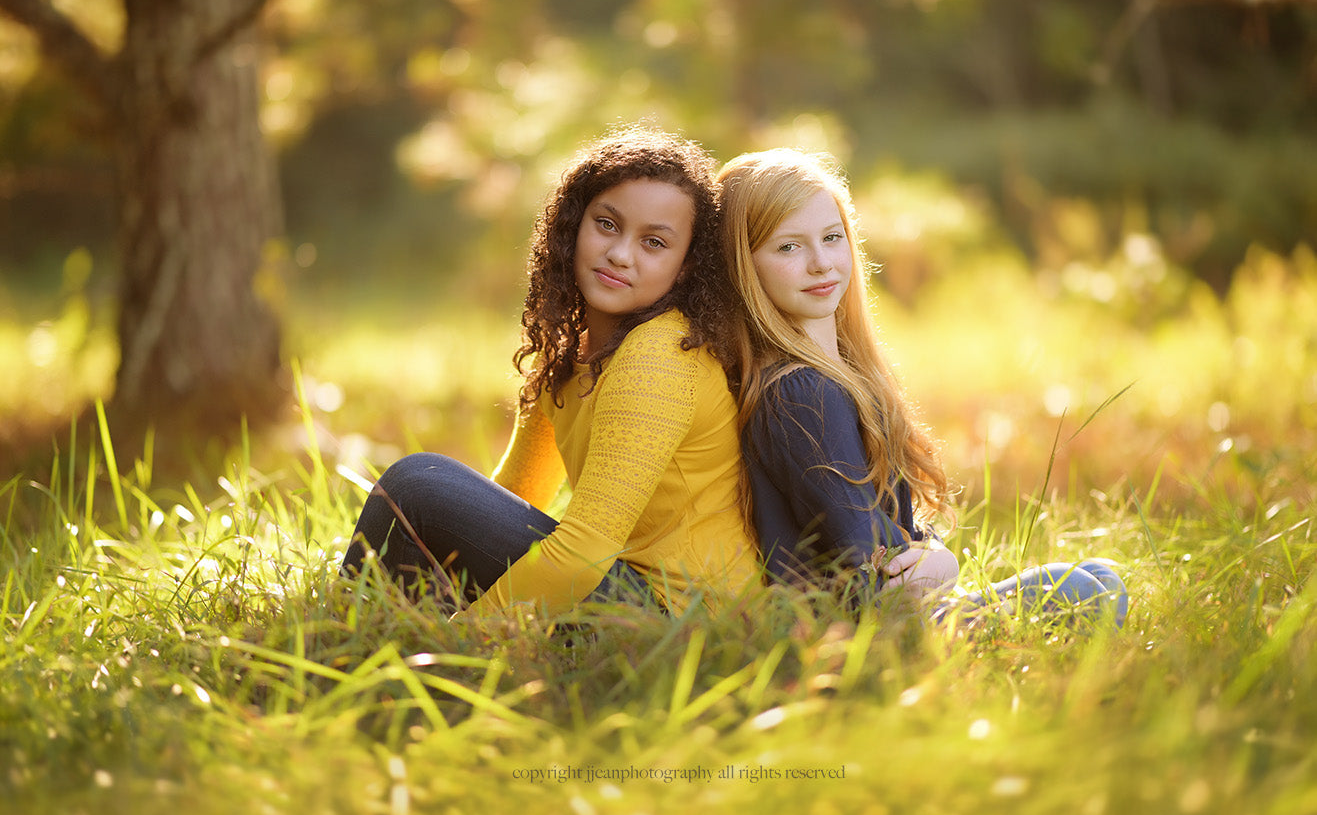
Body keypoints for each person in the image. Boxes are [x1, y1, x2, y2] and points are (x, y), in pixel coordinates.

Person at [340, 127, 759, 619]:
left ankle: (361, 647)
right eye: (607, 224)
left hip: (680, 621)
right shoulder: (573, 349)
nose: (620, 254)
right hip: (629, 594)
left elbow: (585, 551)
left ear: (685, 267)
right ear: (573, 224)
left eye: (653, 243)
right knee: (426, 496)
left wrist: (463, 634)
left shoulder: (661, 355)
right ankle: (385, 650)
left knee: (417, 484)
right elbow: (517, 494)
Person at [716, 148, 1127, 626]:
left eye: (832, 238)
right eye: (788, 247)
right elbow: (877, 578)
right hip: (869, 636)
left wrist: (929, 549)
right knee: (1086, 590)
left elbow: (891, 529)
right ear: (746, 265)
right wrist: (942, 565)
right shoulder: (800, 393)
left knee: (1102, 574)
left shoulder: (841, 373)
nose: (820, 263)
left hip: (903, 615)